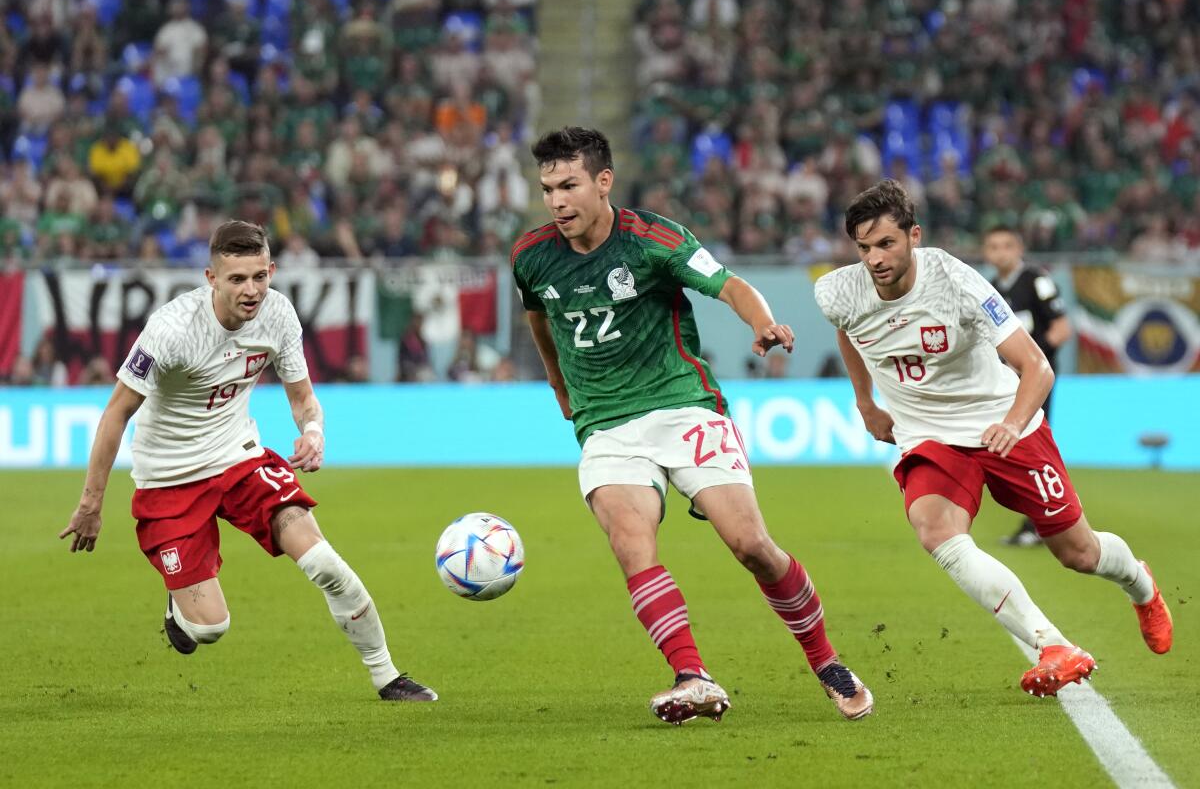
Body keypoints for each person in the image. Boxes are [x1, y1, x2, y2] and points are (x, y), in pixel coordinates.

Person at [512, 127, 872, 724]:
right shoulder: (531, 255)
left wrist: (763, 322)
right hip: (605, 424)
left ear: (604, 182)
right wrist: (557, 383)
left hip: (684, 406)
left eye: (569, 185)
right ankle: (692, 677)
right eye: (548, 188)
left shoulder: (654, 239)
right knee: (632, 544)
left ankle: (827, 660)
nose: (557, 200)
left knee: (751, 546)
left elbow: (729, 284)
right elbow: (540, 318)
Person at [814, 180, 1172, 698]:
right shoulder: (837, 290)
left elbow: (1037, 367)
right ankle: (1053, 645)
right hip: (929, 434)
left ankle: (1140, 584)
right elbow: (847, 328)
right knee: (934, 529)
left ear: (914, 236)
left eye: (886, 244)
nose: (874, 258)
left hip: (1005, 422)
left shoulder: (959, 283)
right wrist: (866, 401)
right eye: (864, 247)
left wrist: (1011, 422)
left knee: (1079, 553)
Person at [59, 220, 436, 702]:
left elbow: (303, 399)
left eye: (259, 276)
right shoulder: (171, 329)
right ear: (211, 278)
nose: (251, 289)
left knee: (323, 560)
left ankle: (387, 676)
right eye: (237, 279)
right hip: (169, 478)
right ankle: (181, 608)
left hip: (239, 458)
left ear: (272, 270)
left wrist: (313, 432)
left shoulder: (278, 315)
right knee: (211, 627)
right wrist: (92, 503)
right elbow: (116, 413)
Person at [982, 226, 1072, 547]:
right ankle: (1039, 519)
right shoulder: (989, 290)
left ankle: (1048, 518)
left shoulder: (1036, 280)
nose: (1000, 252)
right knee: (1015, 448)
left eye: (1006, 245)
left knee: (1033, 445)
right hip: (1005, 383)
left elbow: (1062, 329)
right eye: (993, 246)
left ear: (1019, 248)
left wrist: (1031, 361)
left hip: (1035, 379)